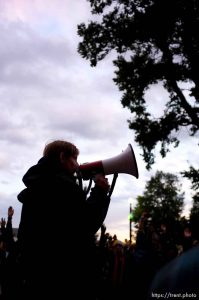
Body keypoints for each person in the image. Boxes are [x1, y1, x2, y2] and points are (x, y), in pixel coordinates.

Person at [17, 140, 111, 299]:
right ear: (62, 157)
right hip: (64, 279)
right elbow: (86, 224)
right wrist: (100, 192)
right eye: (74, 158)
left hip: (36, 277)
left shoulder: (38, 184)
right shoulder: (62, 185)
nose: (77, 165)